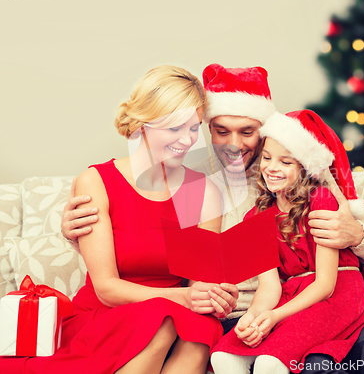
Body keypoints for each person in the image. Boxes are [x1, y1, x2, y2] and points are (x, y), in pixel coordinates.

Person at [61, 64, 364, 374]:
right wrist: (81, 237)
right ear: (208, 128)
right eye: (221, 131)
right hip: (243, 316)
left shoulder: (299, 173)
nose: (234, 143)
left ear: (265, 132)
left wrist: (356, 233)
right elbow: (166, 258)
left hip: (315, 306)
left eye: (247, 132)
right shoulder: (192, 183)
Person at [1, 65, 236, 374]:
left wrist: (214, 295)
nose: (187, 140)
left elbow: (197, 282)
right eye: (174, 128)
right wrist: (183, 297)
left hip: (177, 311)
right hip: (111, 313)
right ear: (143, 124)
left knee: (200, 330)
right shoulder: (98, 180)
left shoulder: (199, 191)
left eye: (193, 128)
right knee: (164, 319)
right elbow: (107, 289)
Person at [211, 109, 364, 374]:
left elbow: (325, 285)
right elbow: (269, 287)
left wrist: (274, 317)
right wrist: (253, 318)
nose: (272, 168)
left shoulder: (322, 200)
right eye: (267, 158)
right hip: (290, 296)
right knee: (224, 357)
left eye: (286, 162)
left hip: (335, 296)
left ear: (304, 168)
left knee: (270, 362)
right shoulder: (255, 216)